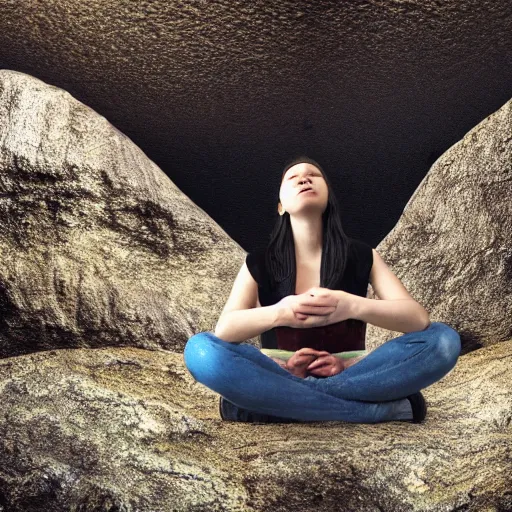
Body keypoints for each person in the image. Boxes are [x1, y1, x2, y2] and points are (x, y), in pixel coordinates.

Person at [183, 156, 461, 424]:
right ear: (280, 206)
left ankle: (268, 406)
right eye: (293, 177)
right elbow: (225, 329)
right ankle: (374, 412)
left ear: (328, 197)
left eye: (313, 175)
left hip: (357, 375)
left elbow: (417, 319)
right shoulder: (258, 262)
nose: (304, 178)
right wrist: (282, 313)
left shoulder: (363, 255)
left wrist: (351, 306)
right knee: (200, 350)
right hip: (277, 373)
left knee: (444, 340)